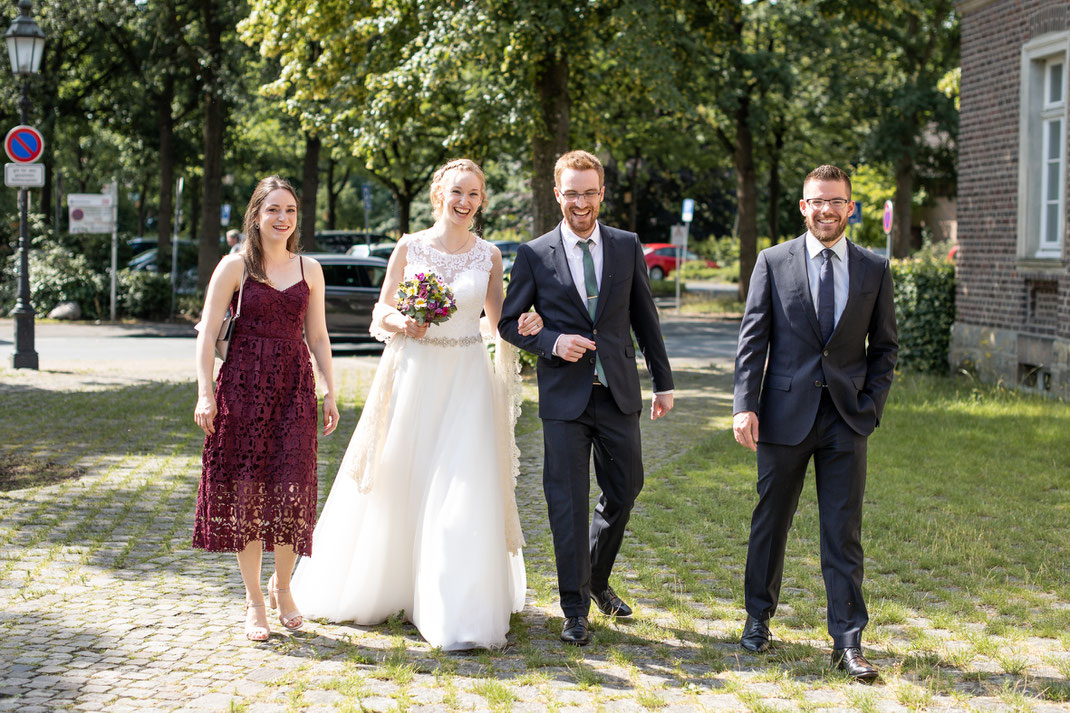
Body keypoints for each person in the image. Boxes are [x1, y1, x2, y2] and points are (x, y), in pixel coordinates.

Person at [291, 158, 543, 651]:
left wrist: (527, 325)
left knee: (461, 490)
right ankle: (393, 586)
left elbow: (497, 322)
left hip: (467, 381)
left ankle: (456, 611)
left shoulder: (490, 256)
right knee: (398, 481)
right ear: (438, 193)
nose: (464, 201)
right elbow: (380, 310)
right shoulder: (410, 247)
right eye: (456, 191)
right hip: (413, 376)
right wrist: (401, 322)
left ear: (482, 201)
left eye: (473, 194)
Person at [498, 150, 674, 646]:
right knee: (568, 504)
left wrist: (663, 382)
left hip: (618, 392)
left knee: (625, 489)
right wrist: (551, 341)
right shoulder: (534, 254)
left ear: (601, 193)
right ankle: (574, 608)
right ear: (557, 194)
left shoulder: (625, 245)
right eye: (571, 192)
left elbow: (646, 318)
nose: (580, 201)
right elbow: (509, 322)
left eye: (589, 191)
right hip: (564, 399)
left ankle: (595, 578)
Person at [732, 165, 898, 681]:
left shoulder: (874, 268)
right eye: (816, 201)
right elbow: (752, 340)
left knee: (843, 532)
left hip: (846, 421)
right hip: (783, 416)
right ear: (803, 207)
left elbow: (885, 349)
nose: (826, 210)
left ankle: (848, 641)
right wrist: (744, 404)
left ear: (851, 207)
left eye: (836, 201)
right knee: (770, 523)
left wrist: (869, 407)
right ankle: (758, 619)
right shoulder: (772, 261)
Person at [193, 175, 340, 642]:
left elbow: (317, 335)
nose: (282, 219)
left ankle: (284, 588)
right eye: (273, 209)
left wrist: (328, 389)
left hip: (292, 389)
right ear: (256, 214)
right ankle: (255, 599)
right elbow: (206, 331)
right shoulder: (234, 267)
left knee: (290, 490)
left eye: (291, 211)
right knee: (248, 494)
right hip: (241, 387)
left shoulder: (309, 268)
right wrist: (204, 392)